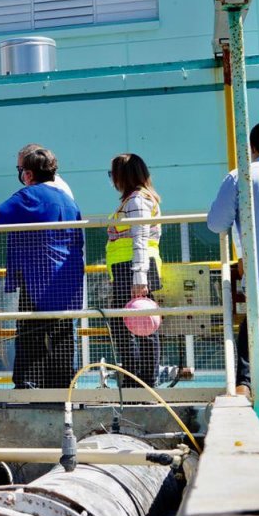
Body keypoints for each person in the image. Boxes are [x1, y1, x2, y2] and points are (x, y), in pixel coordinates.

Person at [0, 148, 84, 389]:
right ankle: (62, 387)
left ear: (28, 174)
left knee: (30, 330)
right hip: (68, 277)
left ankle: (28, 383)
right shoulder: (67, 199)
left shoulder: (30, 195)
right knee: (62, 332)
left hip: (38, 276)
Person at [208, 121, 259, 398]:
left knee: (252, 331)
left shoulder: (241, 176)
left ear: (252, 147)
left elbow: (217, 223)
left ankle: (244, 389)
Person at [105, 154, 163, 387]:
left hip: (134, 269)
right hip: (129, 269)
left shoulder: (137, 201)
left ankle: (140, 382)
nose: (112, 179)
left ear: (123, 175)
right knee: (131, 325)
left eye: (113, 174)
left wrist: (139, 276)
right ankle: (136, 380)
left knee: (140, 326)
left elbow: (140, 238)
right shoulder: (135, 200)